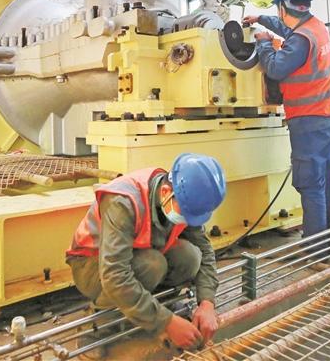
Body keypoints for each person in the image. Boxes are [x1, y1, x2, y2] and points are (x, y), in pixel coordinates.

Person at [66, 153, 226, 357]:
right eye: (187, 214)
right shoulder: (123, 201)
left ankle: (161, 306)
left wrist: (207, 302)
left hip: (136, 257)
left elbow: (204, 250)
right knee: (153, 264)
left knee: (190, 257)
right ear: (166, 192)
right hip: (91, 265)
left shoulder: (183, 199)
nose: (188, 221)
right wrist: (166, 323)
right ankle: (96, 327)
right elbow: (115, 275)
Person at [242, 0, 330, 241]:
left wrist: (264, 43)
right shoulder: (315, 27)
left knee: (311, 185)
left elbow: (276, 68)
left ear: (282, 7)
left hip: (309, 124)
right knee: (328, 180)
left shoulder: (299, 40)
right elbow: (288, 27)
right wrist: (260, 19)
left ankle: (315, 248)